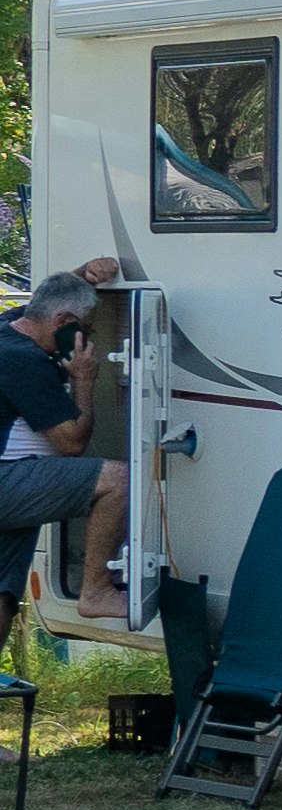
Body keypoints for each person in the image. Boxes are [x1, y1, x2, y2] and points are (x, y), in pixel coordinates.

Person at [0, 261, 137, 619]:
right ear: (63, 323)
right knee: (118, 480)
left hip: (14, 481)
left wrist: (84, 272)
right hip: (6, 481)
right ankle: (96, 590)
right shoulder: (23, 359)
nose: (87, 337)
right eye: (85, 328)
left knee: (3, 595)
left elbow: (46, 301)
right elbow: (71, 443)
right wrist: (84, 380)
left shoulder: (8, 329)